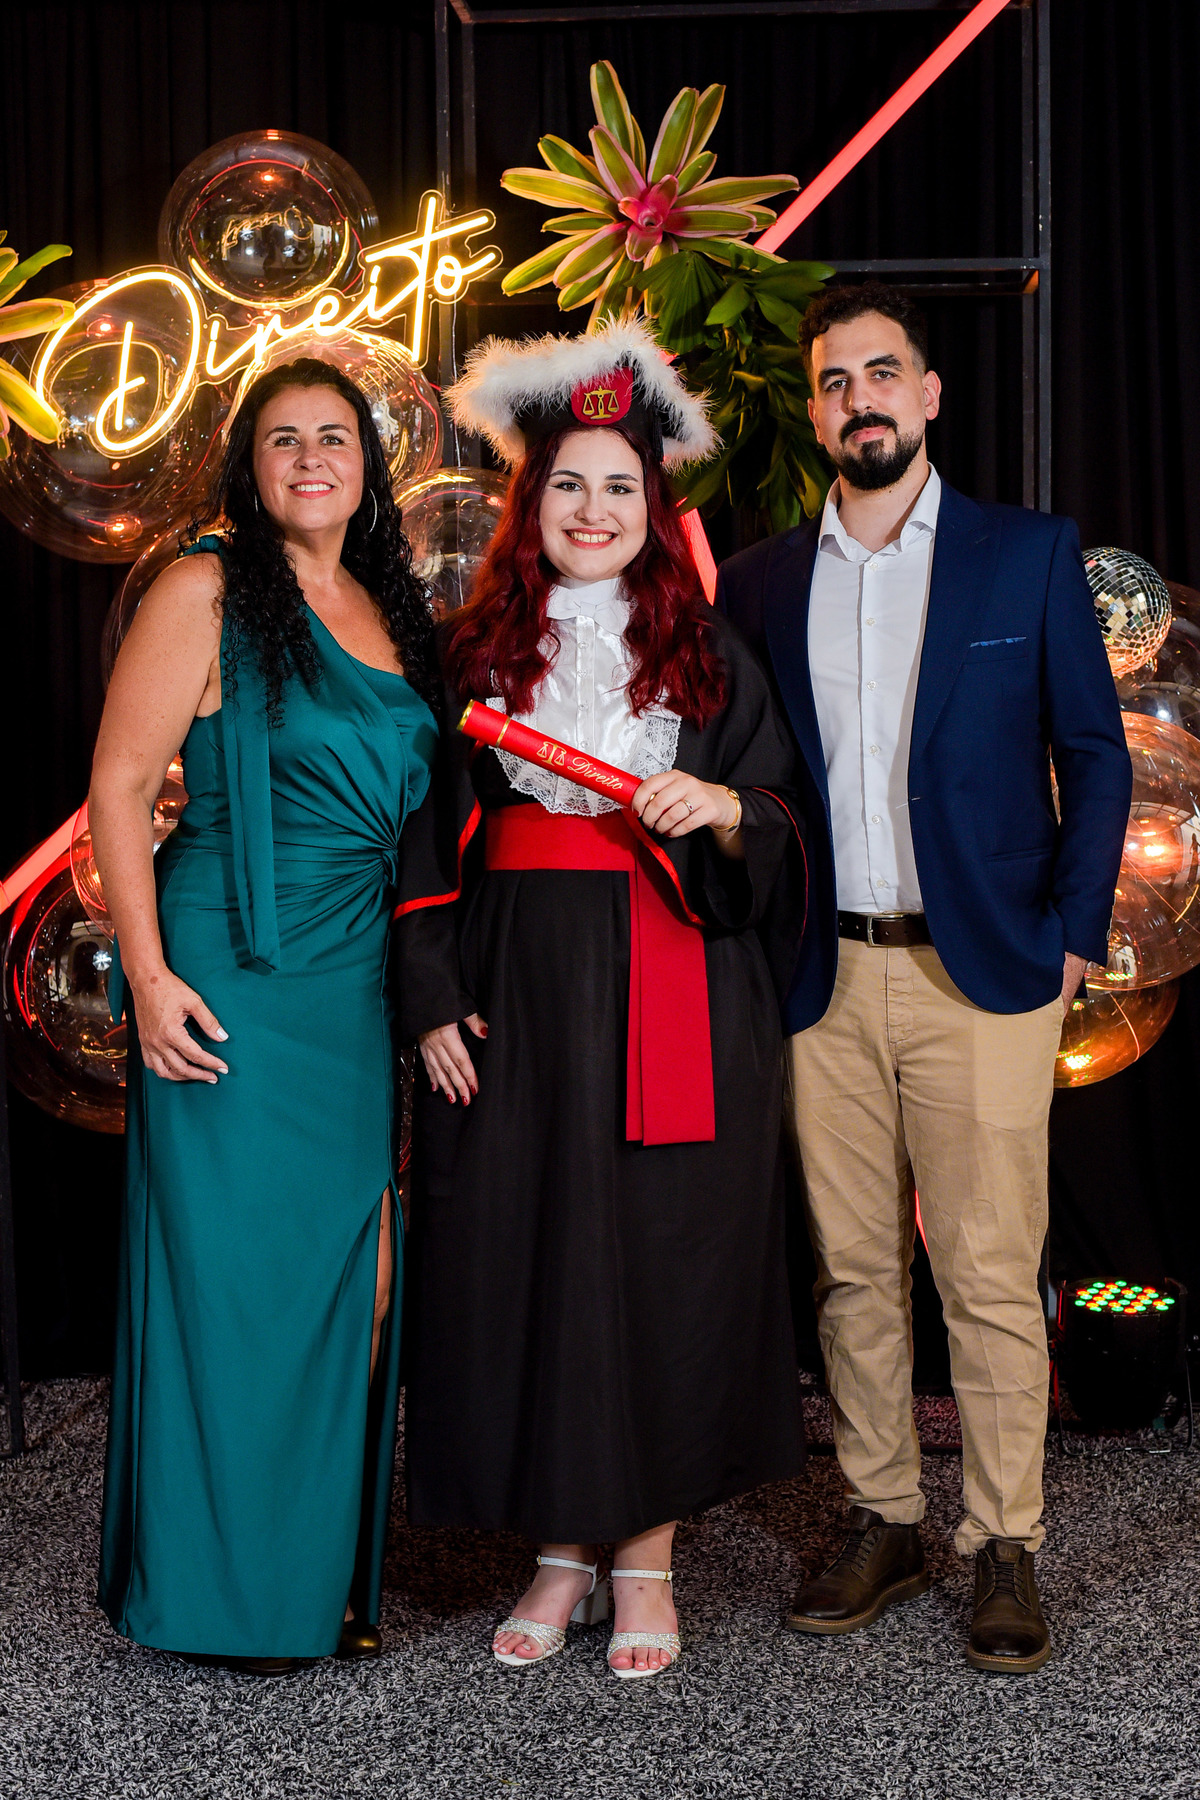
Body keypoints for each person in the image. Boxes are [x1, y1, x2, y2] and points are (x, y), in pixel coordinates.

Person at [717, 284, 1132, 1675]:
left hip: (988, 973)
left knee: (992, 1268)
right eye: (838, 382)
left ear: (931, 393)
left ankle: (1004, 1540)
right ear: (815, 408)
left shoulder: (1028, 555)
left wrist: (1073, 928)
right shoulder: (762, 583)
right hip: (822, 972)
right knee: (850, 1270)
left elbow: (1096, 751)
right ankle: (884, 1515)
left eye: (883, 374)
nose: (863, 401)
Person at [395, 319, 808, 1680]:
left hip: (681, 980)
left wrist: (726, 811)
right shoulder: (469, 654)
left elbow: (782, 817)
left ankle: (645, 1558)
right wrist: (432, 998)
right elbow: (420, 842)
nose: (592, 508)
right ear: (531, 503)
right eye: (567, 484)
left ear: (653, 502)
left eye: (618, 485)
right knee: (527, 1250)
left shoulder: (712, 654)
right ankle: (559, 1550)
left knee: (661, 1255)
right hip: (513, 988)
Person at [91, 357, 440, 1673]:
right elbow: (121, 785)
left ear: (367, 461)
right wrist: (147, 976)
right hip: (228, 968)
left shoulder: (388, 605)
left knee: (353, 1274)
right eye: (282, 439)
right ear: (249, 466)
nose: (310, 459)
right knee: (234, 1282)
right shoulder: (205, 588)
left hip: (350, 982)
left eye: (332, 437)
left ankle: (310, 1574)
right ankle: (225, 1596)